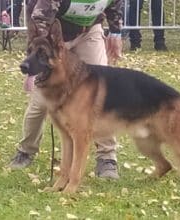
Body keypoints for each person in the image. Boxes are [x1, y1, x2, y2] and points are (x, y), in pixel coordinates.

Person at [9, 0, 123, 179]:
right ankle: (26, 150)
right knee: (41, 101)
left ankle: (107, 157)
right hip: (51, 37)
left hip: (88, 32)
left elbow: (115, 4)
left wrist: (115, 32)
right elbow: (39, 22)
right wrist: (40, 58)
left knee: (99, 94)